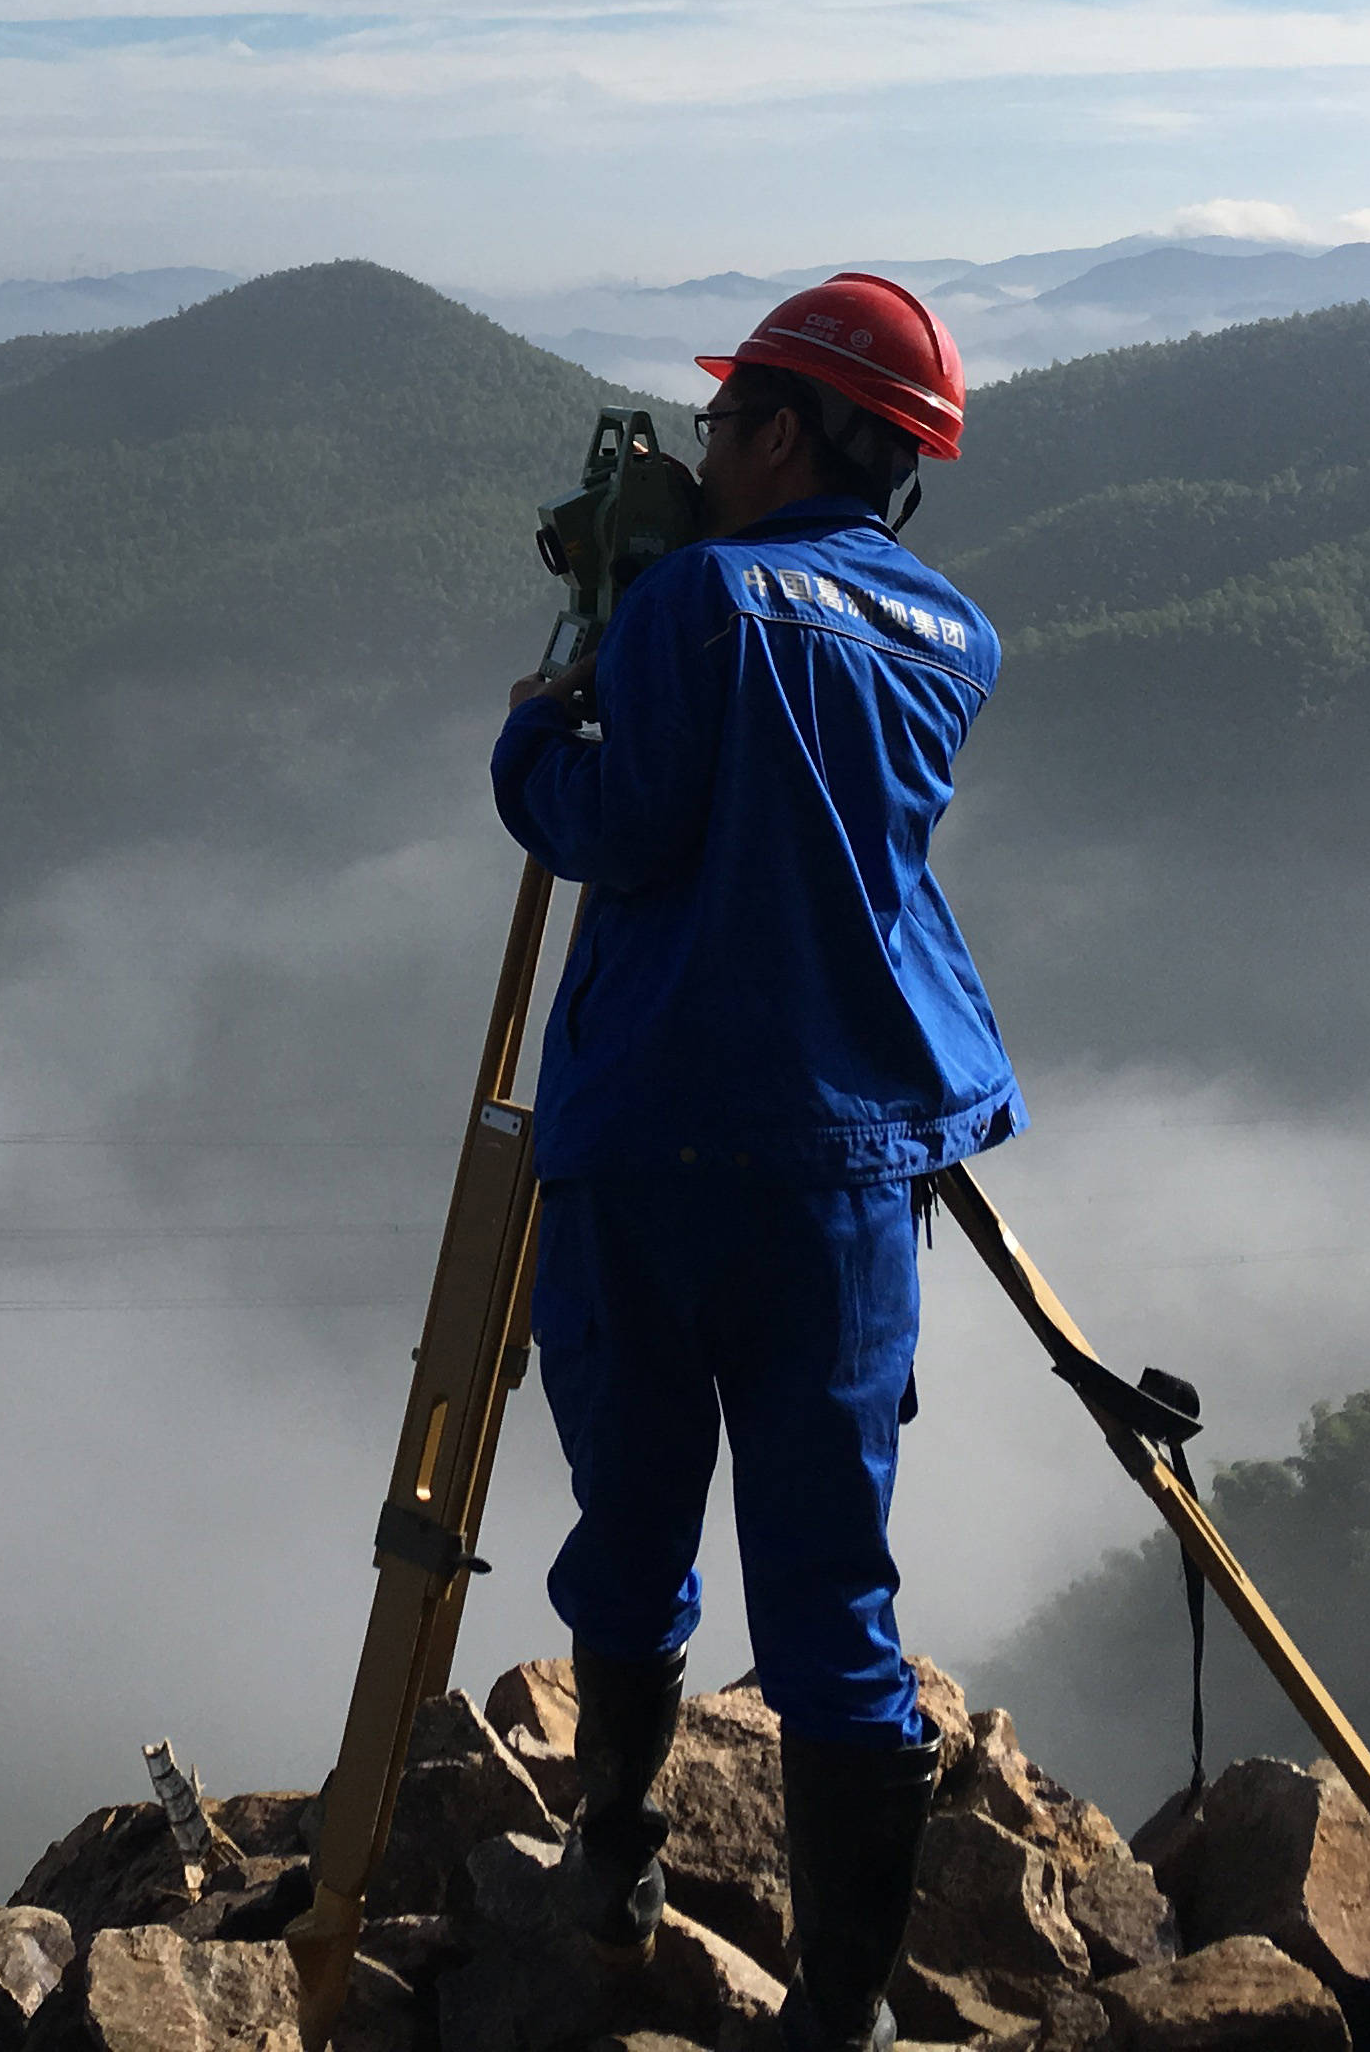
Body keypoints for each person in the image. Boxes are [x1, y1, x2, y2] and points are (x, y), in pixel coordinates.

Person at [488, 272, 1020, 2052]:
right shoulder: (958, 638)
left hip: (651, 1136)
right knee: (834, 1596)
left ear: (788, 429)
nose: (702, 444)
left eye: (725, 418)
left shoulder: (697, 599)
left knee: (630, 1527)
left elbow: (623, 828)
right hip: (849, 1165)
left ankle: (617, 1847)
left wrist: (529, 737)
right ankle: (838, 2023)